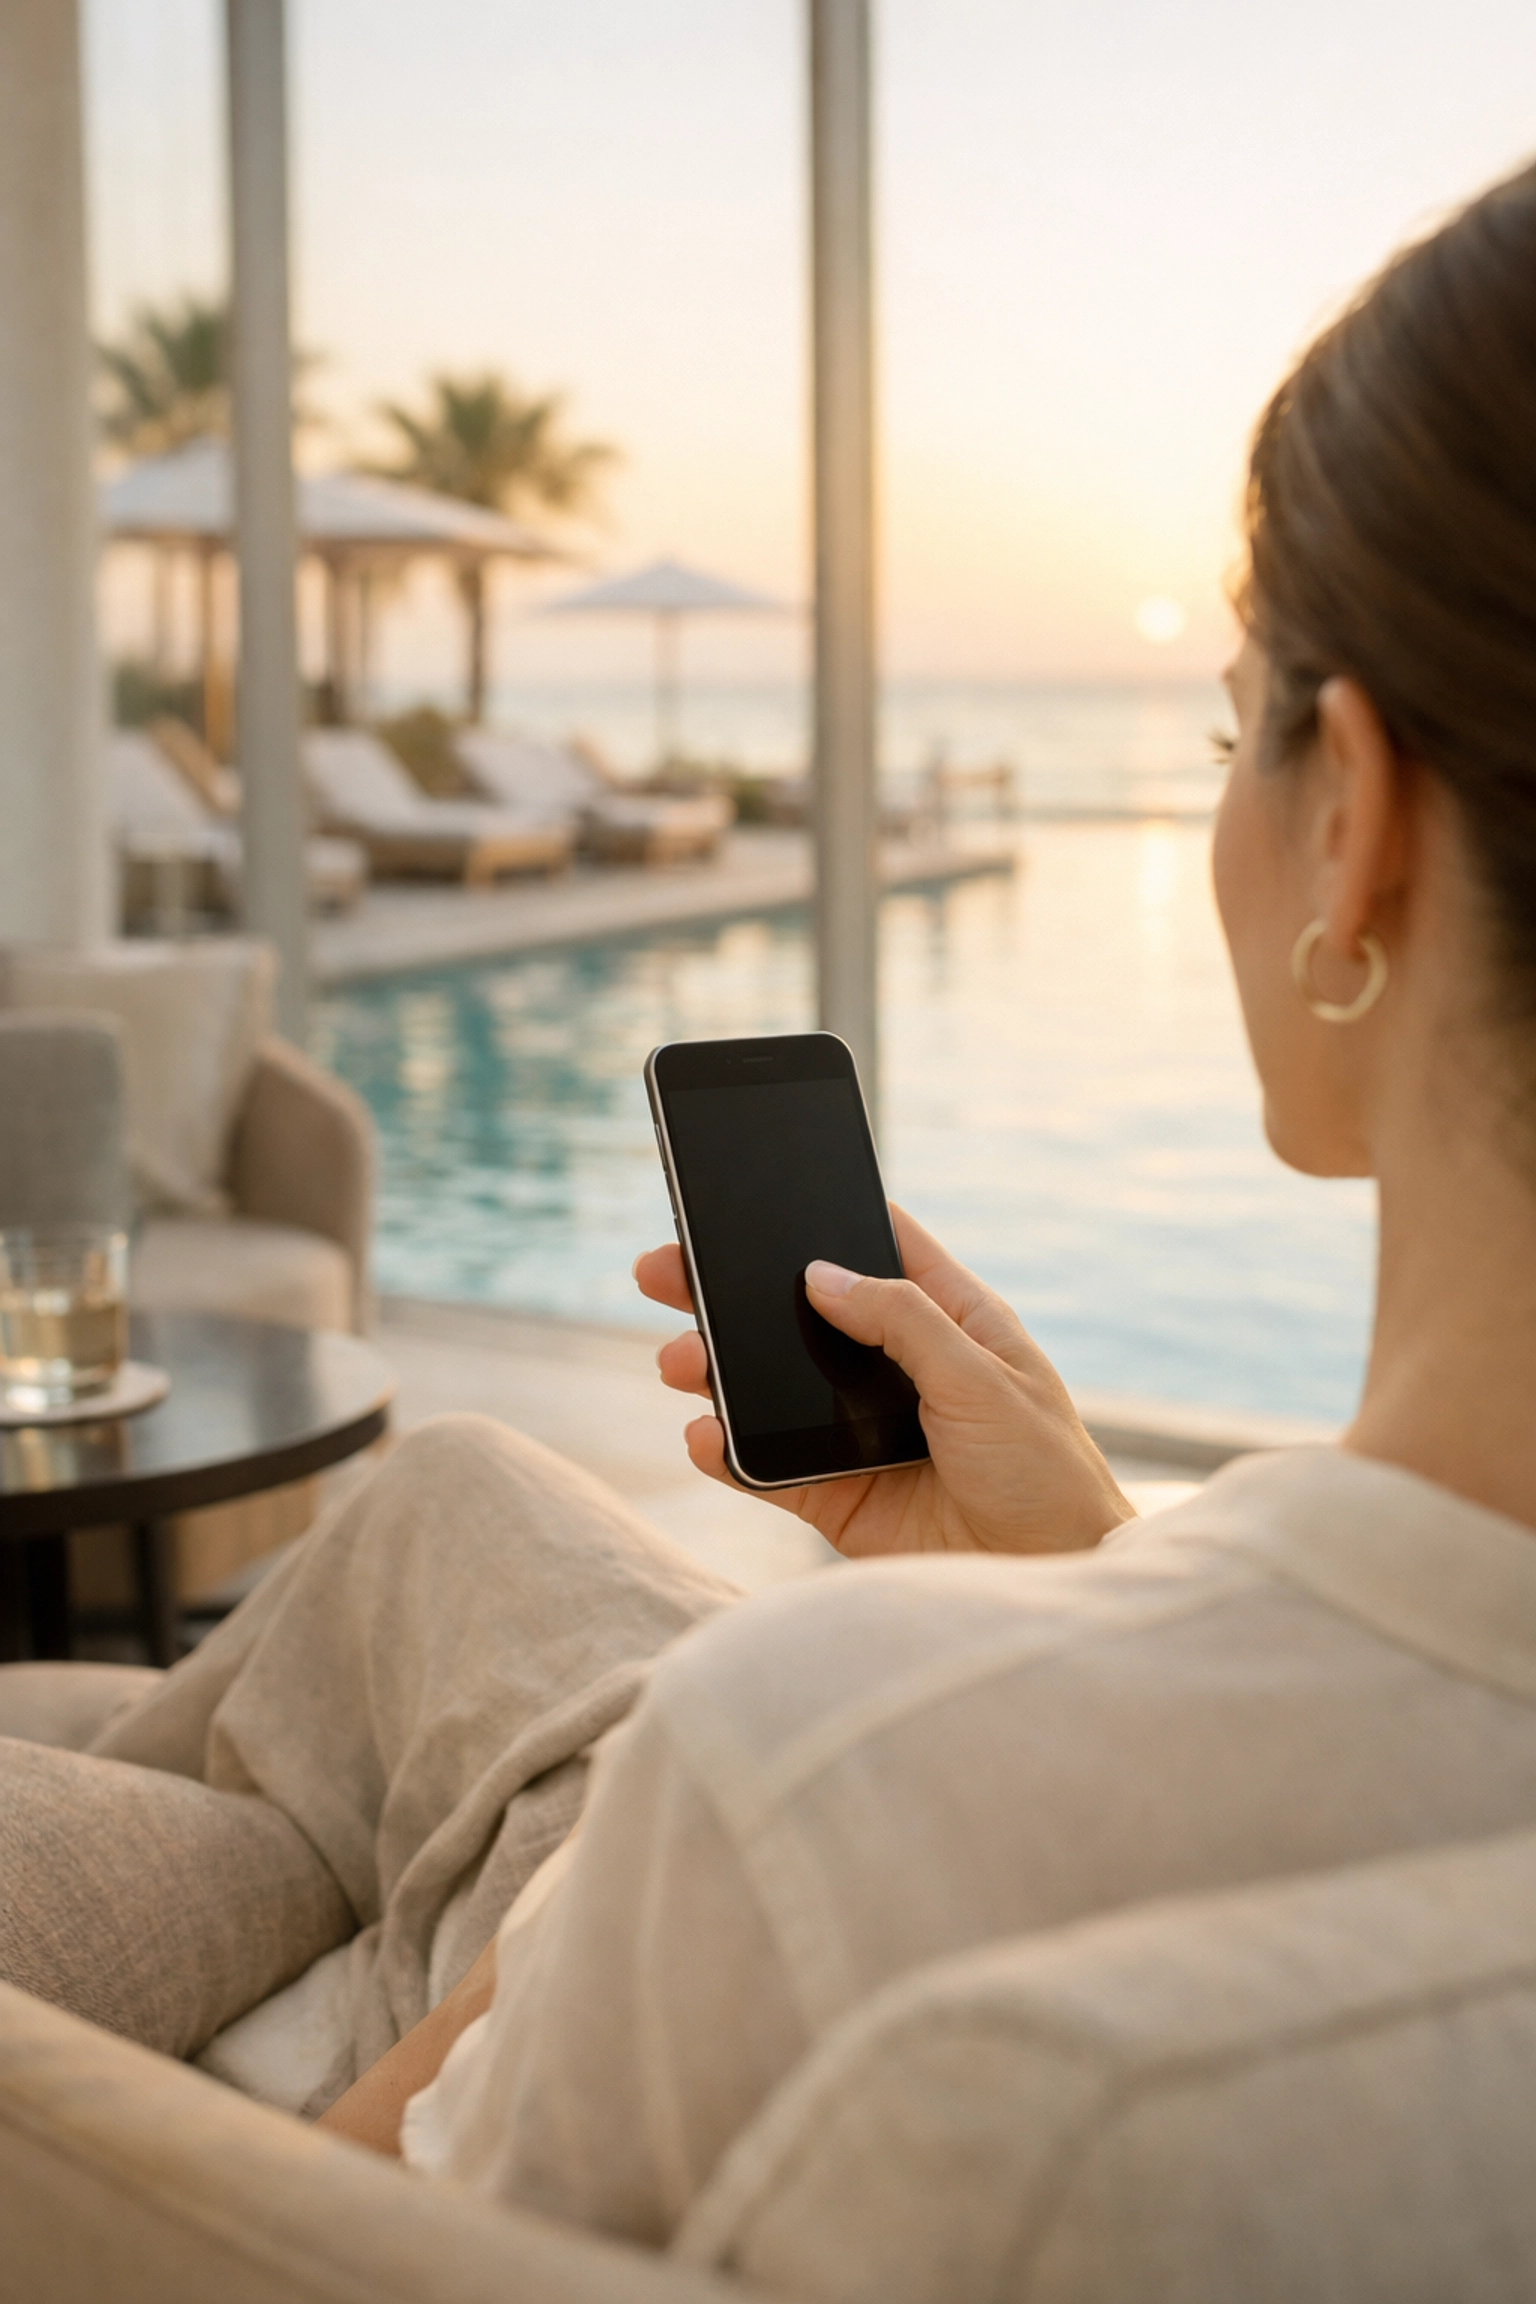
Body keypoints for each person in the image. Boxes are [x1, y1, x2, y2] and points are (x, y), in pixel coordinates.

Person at [10, 155, 1536, 2259]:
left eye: (1227, 728)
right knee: (452, 1493)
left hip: (482, 1992)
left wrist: (536, 1952)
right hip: (793, 1776)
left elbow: (269, 2251)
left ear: (1350, 818)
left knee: (367, 1646)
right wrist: (1081, 1553)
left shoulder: (799, 1782)